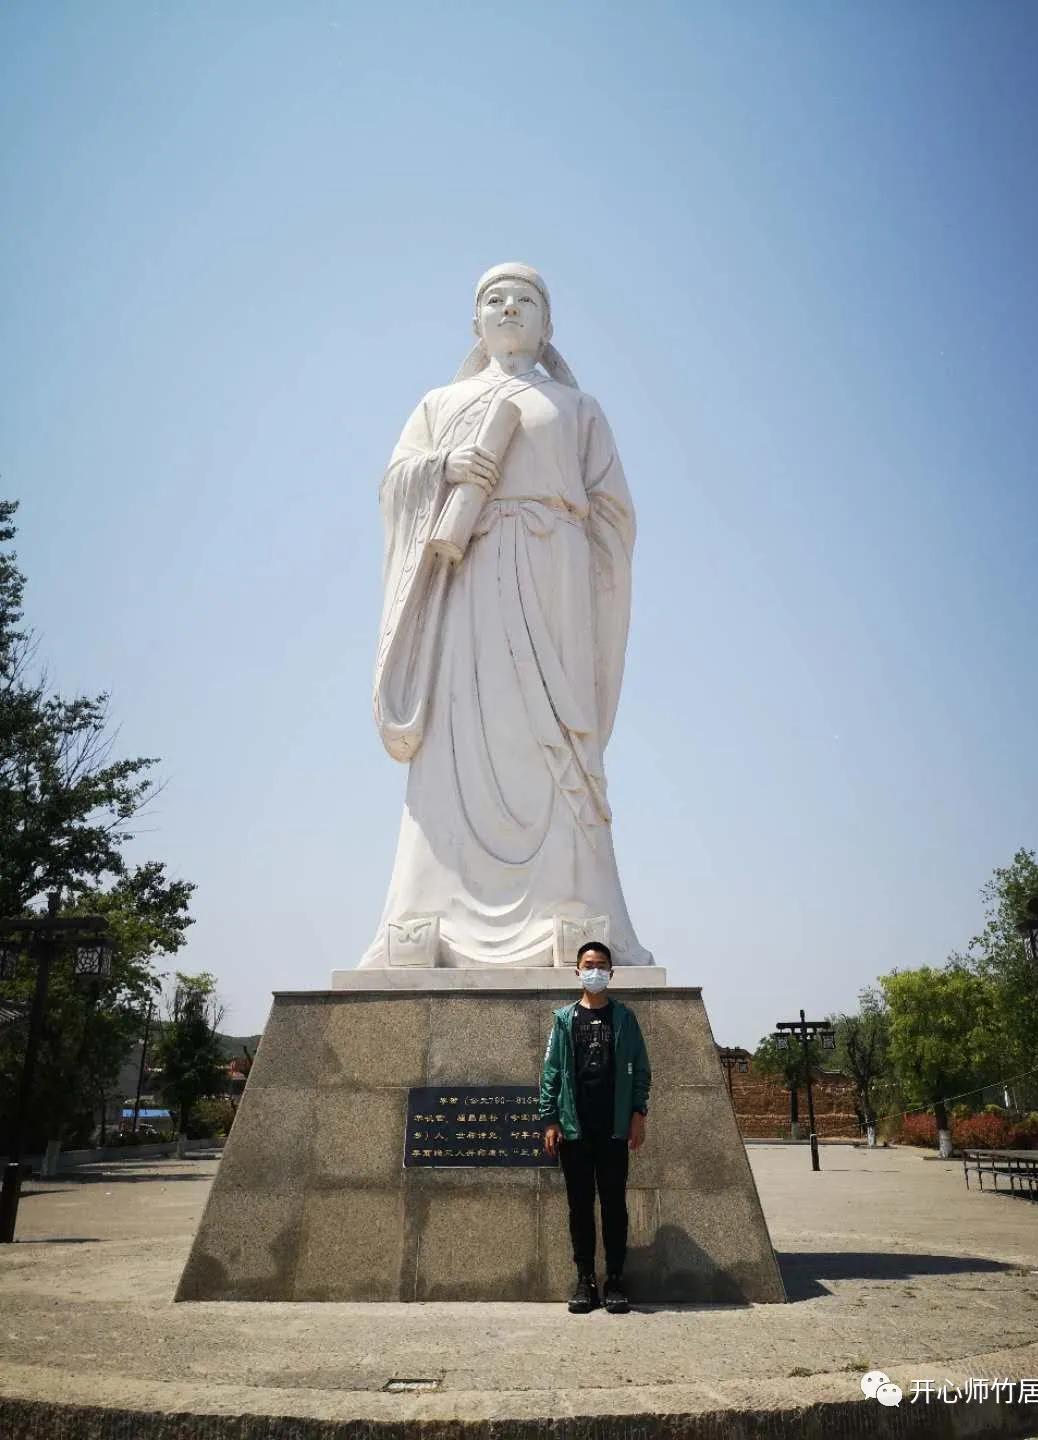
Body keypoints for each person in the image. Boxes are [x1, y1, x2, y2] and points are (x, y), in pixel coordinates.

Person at [361, 262, 653, 970]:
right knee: (456, 731)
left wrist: (574, 551)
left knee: (553, 740)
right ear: (476, 322)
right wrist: (445, 469)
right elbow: (393, 486)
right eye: (495, 299)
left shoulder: (579, 409)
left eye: (525, 299)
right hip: (465, 583)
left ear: (548, 323)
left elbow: (614, 512)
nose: (510, 308)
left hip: (555, 587)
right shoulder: (439, 404)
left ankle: (574, 905)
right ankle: (426, 911)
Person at [538, 940, 651, 1313]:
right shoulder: (564, 1019)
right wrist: (550, 1119)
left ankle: (615, 1279)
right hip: (575, 1129)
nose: (595, 971)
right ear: (577, 971)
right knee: (580, 1206)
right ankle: (585, 1280)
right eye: (589, 965)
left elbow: (641, 1070)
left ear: (611, 973)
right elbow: (551, 1073)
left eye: (601, 965)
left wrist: (638, 1114)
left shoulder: (625, 1019)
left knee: (615, 1205)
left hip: (614, 1128)